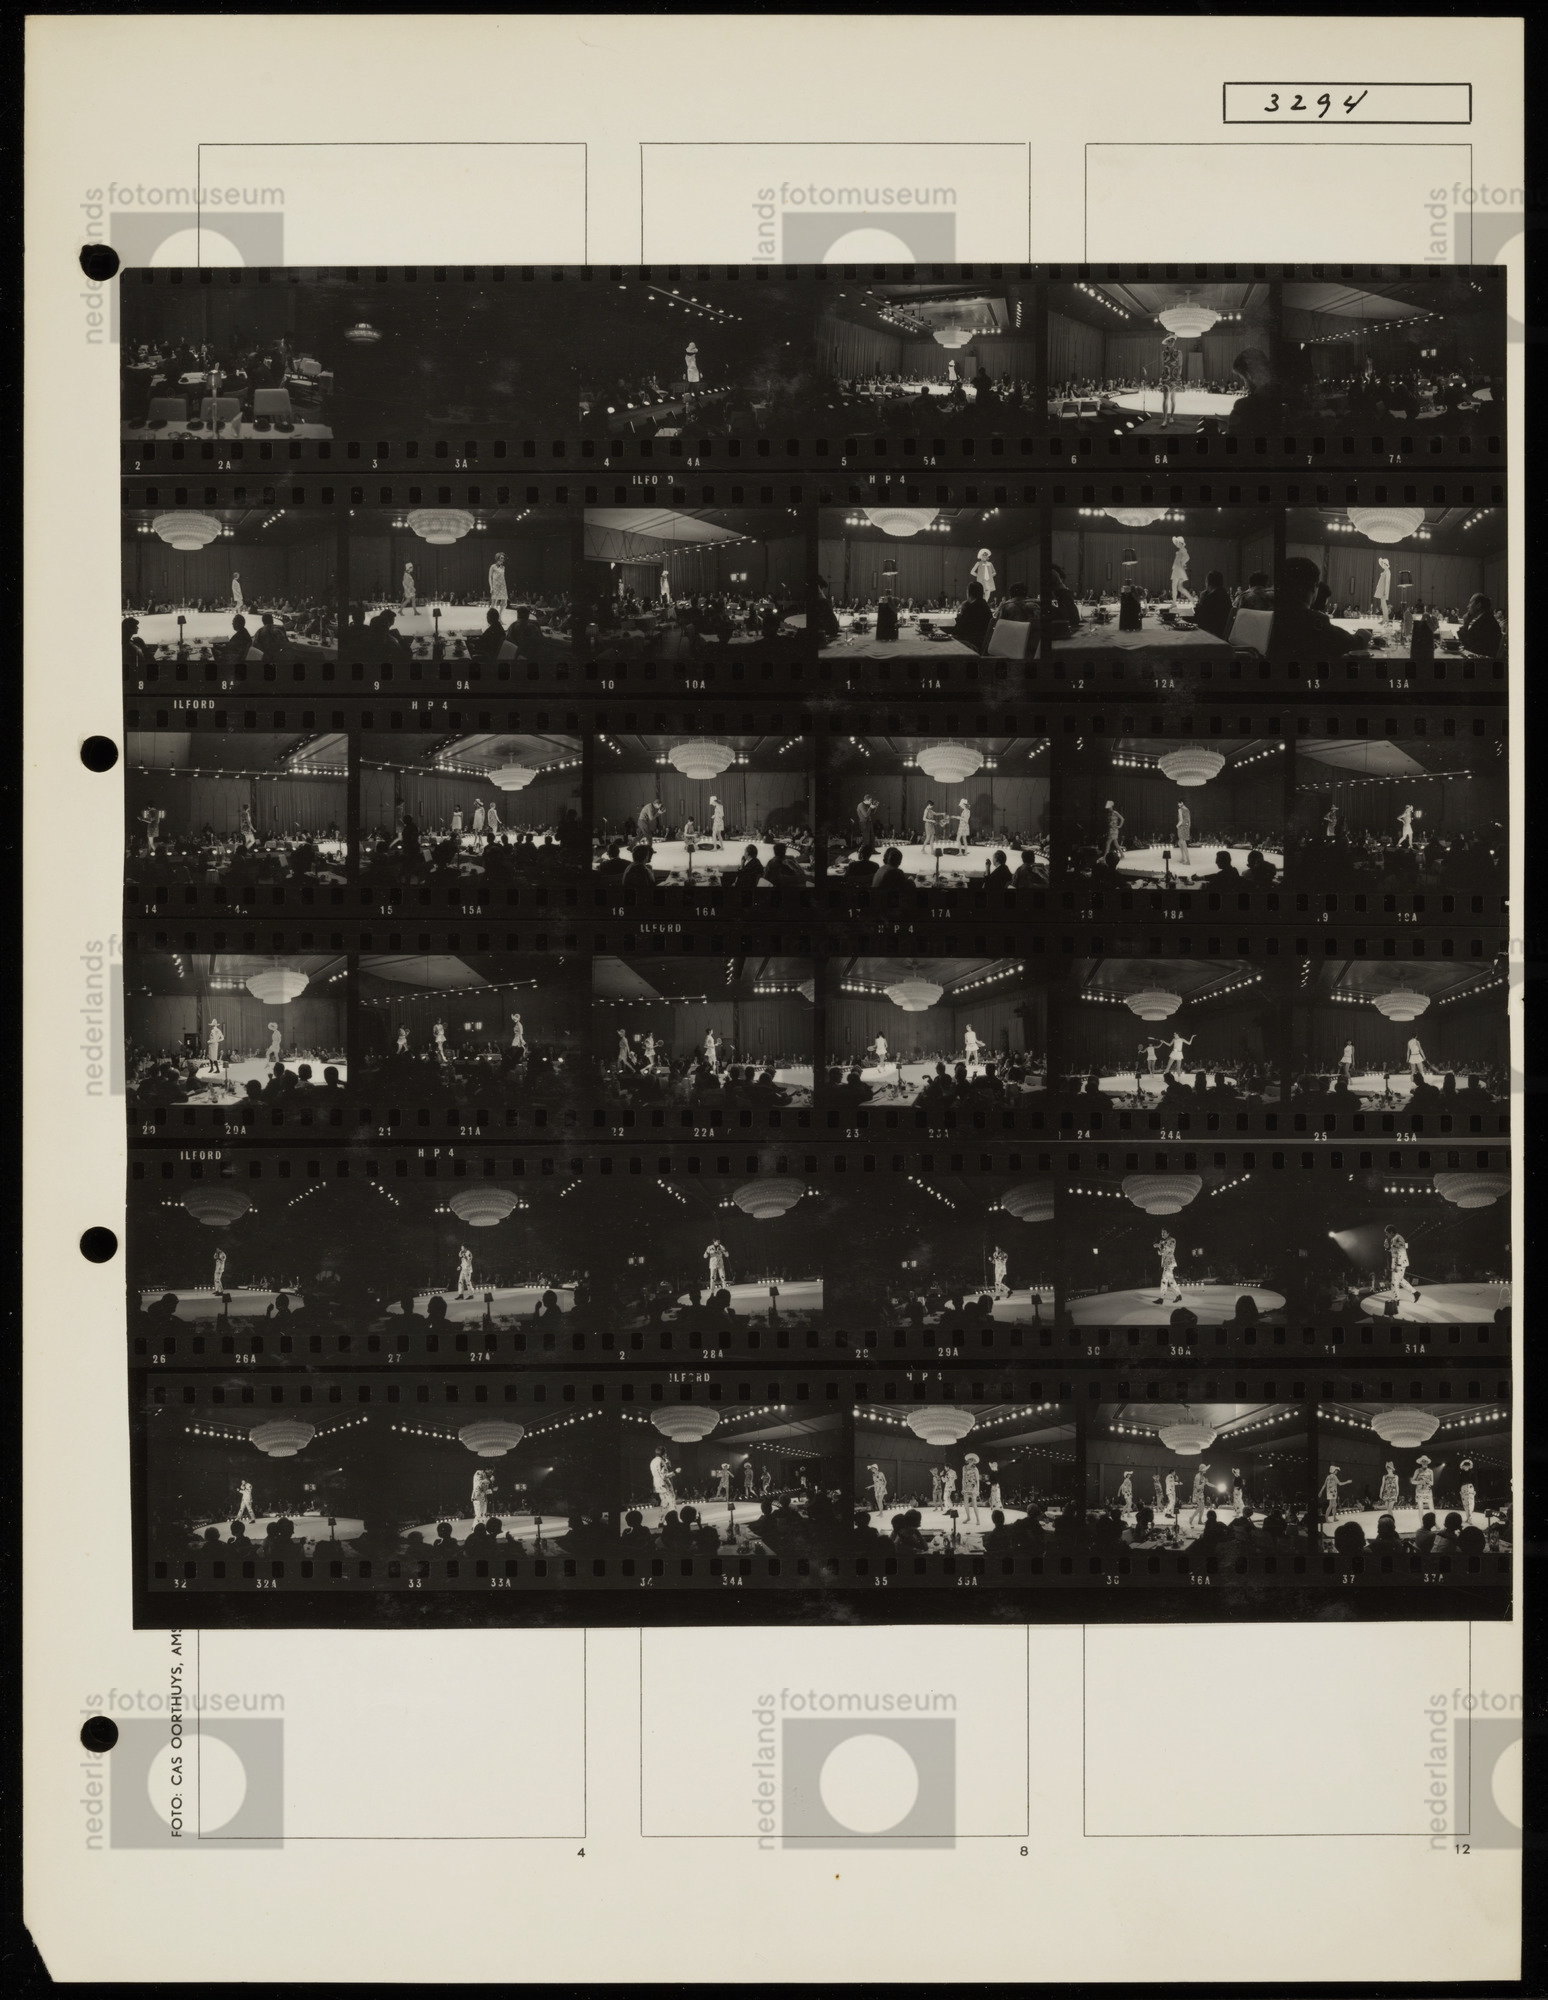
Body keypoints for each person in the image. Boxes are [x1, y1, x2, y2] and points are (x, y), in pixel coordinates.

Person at [1267, 556, 1368, 664]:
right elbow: (1353, 643)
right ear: (1314, 587)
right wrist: (1363, 633)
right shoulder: (1312, 620)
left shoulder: (1269, 615)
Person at [1456, 593, 1503, 660]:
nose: (1467, 606)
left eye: (1470, 603)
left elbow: (1465, 645)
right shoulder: (1487, 618)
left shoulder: (1483, 622)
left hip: (1481, 661)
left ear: (1478, 605)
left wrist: (1466, 624)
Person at [951, 581, 993, 652]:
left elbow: (960, 630)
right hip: (982, 643)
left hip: (971, 643)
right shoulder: (985, 606)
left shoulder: (971, 607)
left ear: (969, 593)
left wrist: (959, 616)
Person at [1192, 569, 1233, 640]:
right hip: (1222, 633)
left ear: (1208, 583)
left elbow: (1200, 619)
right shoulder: (1225, 595)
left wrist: (1201, 601)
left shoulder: (1210, 597)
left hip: (1211, 635)